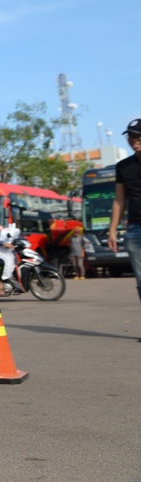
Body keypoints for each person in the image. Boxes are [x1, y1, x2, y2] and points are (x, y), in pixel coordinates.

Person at [108, 118, 141, 329]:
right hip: (135, 229)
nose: (134, 140)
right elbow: (119, 199)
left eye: (138, 135)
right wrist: (112, 230)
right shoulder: (123, 167)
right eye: (131, 136)